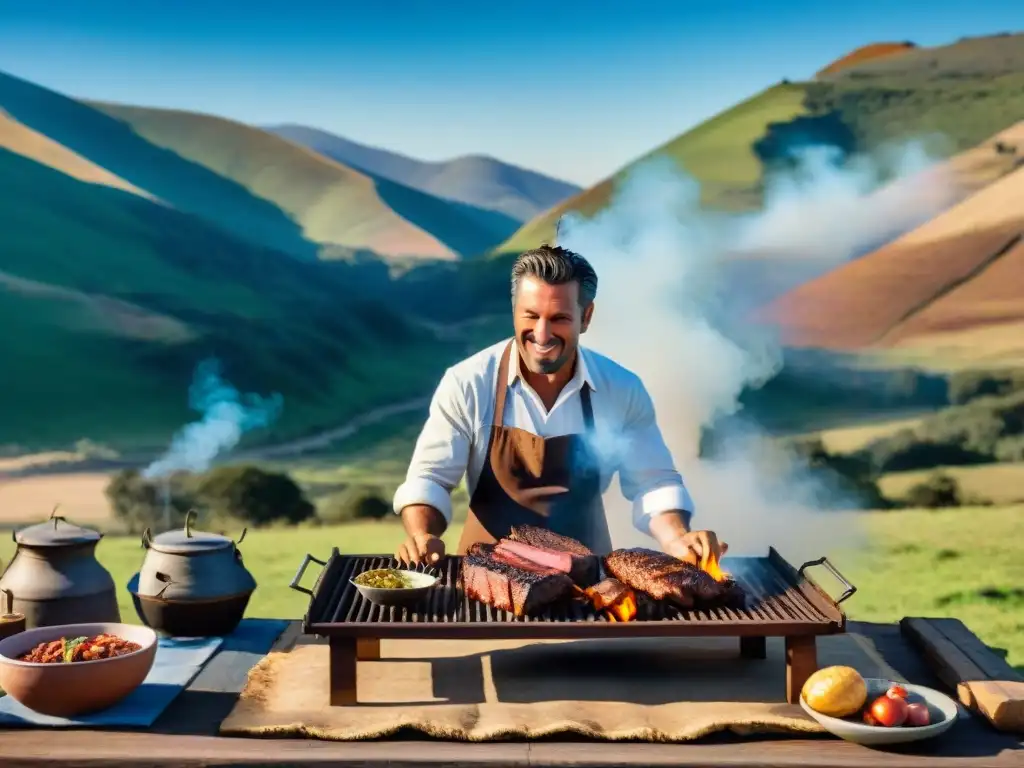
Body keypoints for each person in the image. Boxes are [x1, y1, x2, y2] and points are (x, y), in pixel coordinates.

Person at [393, 244, 726, 567]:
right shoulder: (467, 382)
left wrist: (676, 537)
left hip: (590, 584)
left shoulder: (621, 388)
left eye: (559, 318)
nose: (542, 334)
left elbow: (653, 481)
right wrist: (422, 533)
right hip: (489, 579)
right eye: (531, 315)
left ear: (587, 316)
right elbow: (431, 478)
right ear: (514, 312)